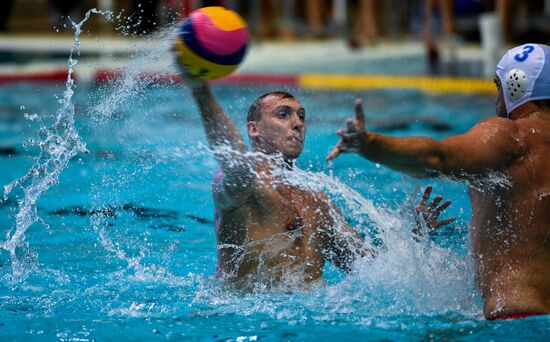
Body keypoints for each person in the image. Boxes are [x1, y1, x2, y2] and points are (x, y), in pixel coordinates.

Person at [176, 66, 454, 292]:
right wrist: (201, 92)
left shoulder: (319, 202)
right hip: (245, 322)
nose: (298, 123)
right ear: (254, 130)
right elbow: (234, 161)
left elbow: (370, 267)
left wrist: (415, 235)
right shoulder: (244, 186)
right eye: (283, 115)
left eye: (301, 116)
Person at [327, 43, 550, 320]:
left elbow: (438, 158)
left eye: (498, 86)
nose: (496, 99)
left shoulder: (511, 137)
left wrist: (369, 145)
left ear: (516, 86)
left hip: (515, 320)